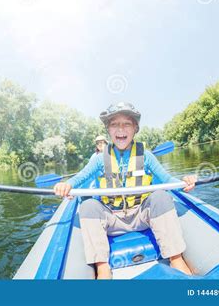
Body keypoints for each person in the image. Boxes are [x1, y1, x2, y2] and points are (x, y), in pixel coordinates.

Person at [54, 102, 197, 279]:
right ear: (108, 130)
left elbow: (167, 180)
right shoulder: (99, 159)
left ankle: (176, 258)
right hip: (112, 219)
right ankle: (102, 267)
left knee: (160, 196)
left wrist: (184, 182)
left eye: (126, 124)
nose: (120, 129)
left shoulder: (146, 155)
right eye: (114, 124)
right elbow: (80, 177)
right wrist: (67, 184)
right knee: (89, 205)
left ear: (135, 128)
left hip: (140, 215)